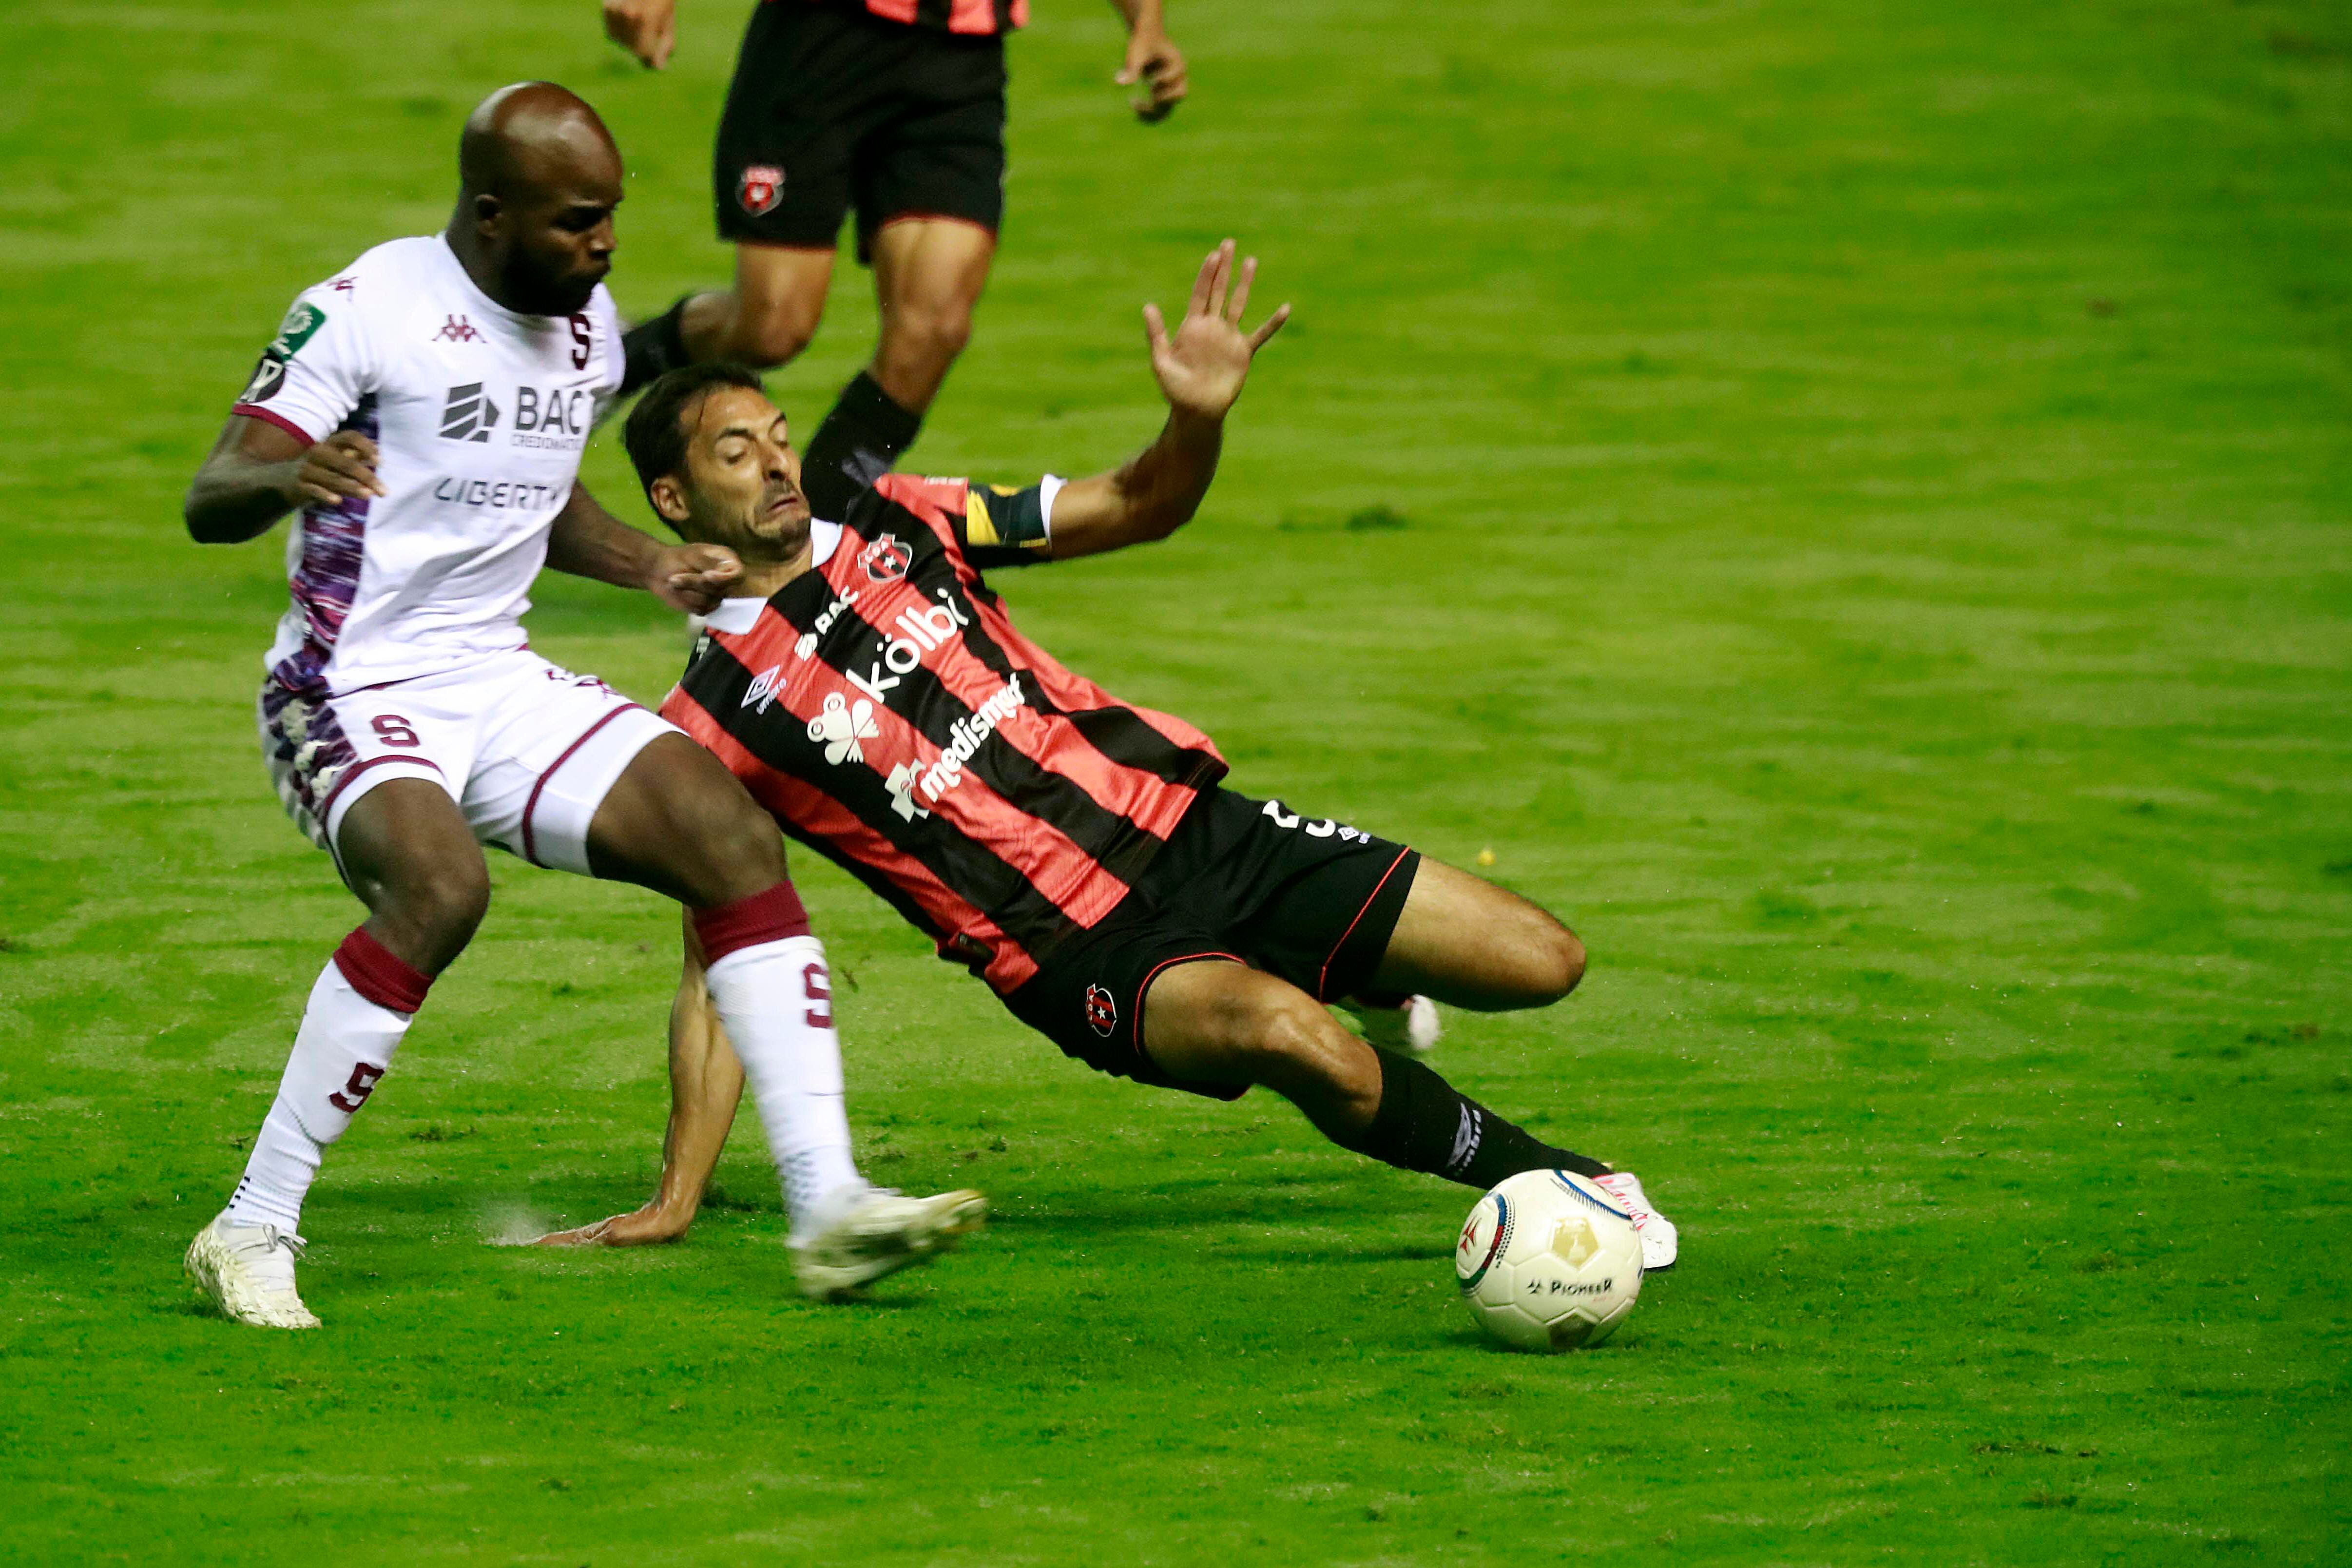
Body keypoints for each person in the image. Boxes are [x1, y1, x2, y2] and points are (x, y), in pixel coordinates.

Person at [539, 242, 1680, 1269]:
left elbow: (1139, 502)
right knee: (1293, 1039)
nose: (779, 465)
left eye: (782, 439)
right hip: (1077, 948)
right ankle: (1559, 1181)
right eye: (739, 453)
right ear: (675, 496)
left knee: (1546, 961)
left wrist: (1197, 418)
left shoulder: (907, 518)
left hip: (1202, 831)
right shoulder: (709, 720)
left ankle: (1370, 978)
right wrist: (678, 1192)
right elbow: (720, 963)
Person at [178, 82, 981, 1328]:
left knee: (727, 836)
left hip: (494, 677)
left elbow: (536, 498)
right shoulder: (364, 311)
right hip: (346, 686)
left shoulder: (586, 327)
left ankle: (829, 1205)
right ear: (491, 217)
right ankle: (252, 1223)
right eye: (576, 223)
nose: (603, 247)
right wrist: (292, 471)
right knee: (440, 890)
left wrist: (646, 563)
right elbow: (211, 490)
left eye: (610, 218)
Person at [602, 0, 1191, 519]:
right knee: (772, 328)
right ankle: (615, 361)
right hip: (820, 36)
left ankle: (803, 557)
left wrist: (1147, 21)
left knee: (931, 330)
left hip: (960, 60)